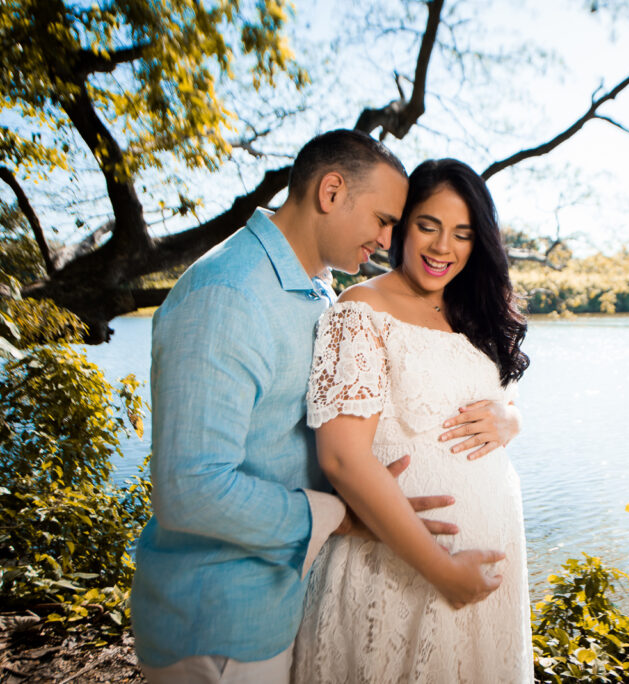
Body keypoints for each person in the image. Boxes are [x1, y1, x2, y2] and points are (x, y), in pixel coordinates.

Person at [131, 131, 521, 683]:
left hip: (281, 595)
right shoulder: (228, 294)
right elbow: (191, 490)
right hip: (218, 620)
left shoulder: (311, 288)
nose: (390, 238)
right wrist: (342, 516)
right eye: (390, 220)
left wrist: (511, 416)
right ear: (332, 191)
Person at [292, 159, 532, 683]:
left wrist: (512, 419)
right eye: (429, 225)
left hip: (489, 582)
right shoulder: (360, 309)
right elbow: (341, 457)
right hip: (399, 576)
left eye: (463, 233)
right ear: (401, 225)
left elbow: (496, 401)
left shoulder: (475, 316)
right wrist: (441, 570)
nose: (443, 246)